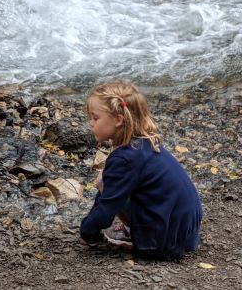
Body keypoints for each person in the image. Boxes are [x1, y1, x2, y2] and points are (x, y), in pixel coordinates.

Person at [80, 81, 203, 260]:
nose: (90, 123)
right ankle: (140, 229)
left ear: (119, 120)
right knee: (115, 182)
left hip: (163, 243)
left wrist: (87, 231)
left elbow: (107, 208)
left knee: (105, 183)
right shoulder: (145, 142)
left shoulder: (124, 159)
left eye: (95, 118)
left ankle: (138, 238)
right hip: (187, 231)